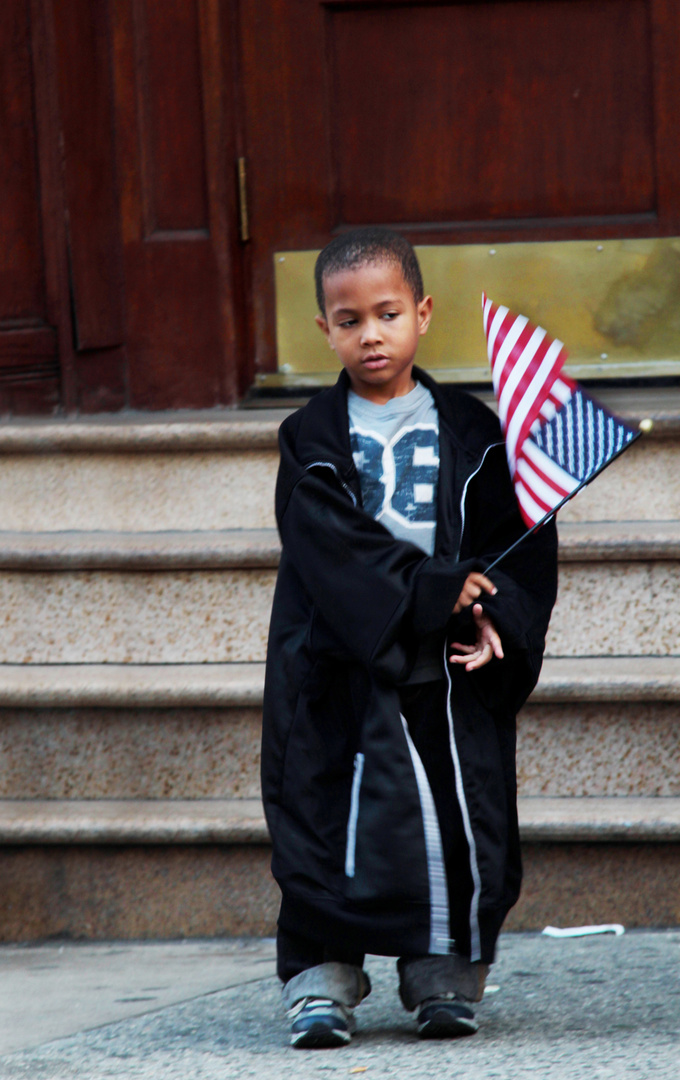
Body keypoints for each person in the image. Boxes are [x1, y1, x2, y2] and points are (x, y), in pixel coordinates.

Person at [261, 227, 558, 1049]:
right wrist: (428, 585)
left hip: (446, 665)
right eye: (349, 319)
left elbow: (516, 538)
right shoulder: (311, 438)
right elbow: (325, 542)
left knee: (456, 822)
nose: (371, 334)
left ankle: (443, 977)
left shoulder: (473, 431)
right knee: (329, 817)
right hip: (339, 663)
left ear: (421, 314)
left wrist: (500, 615)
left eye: (388, 313)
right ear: (325, 330)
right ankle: (321, 981)